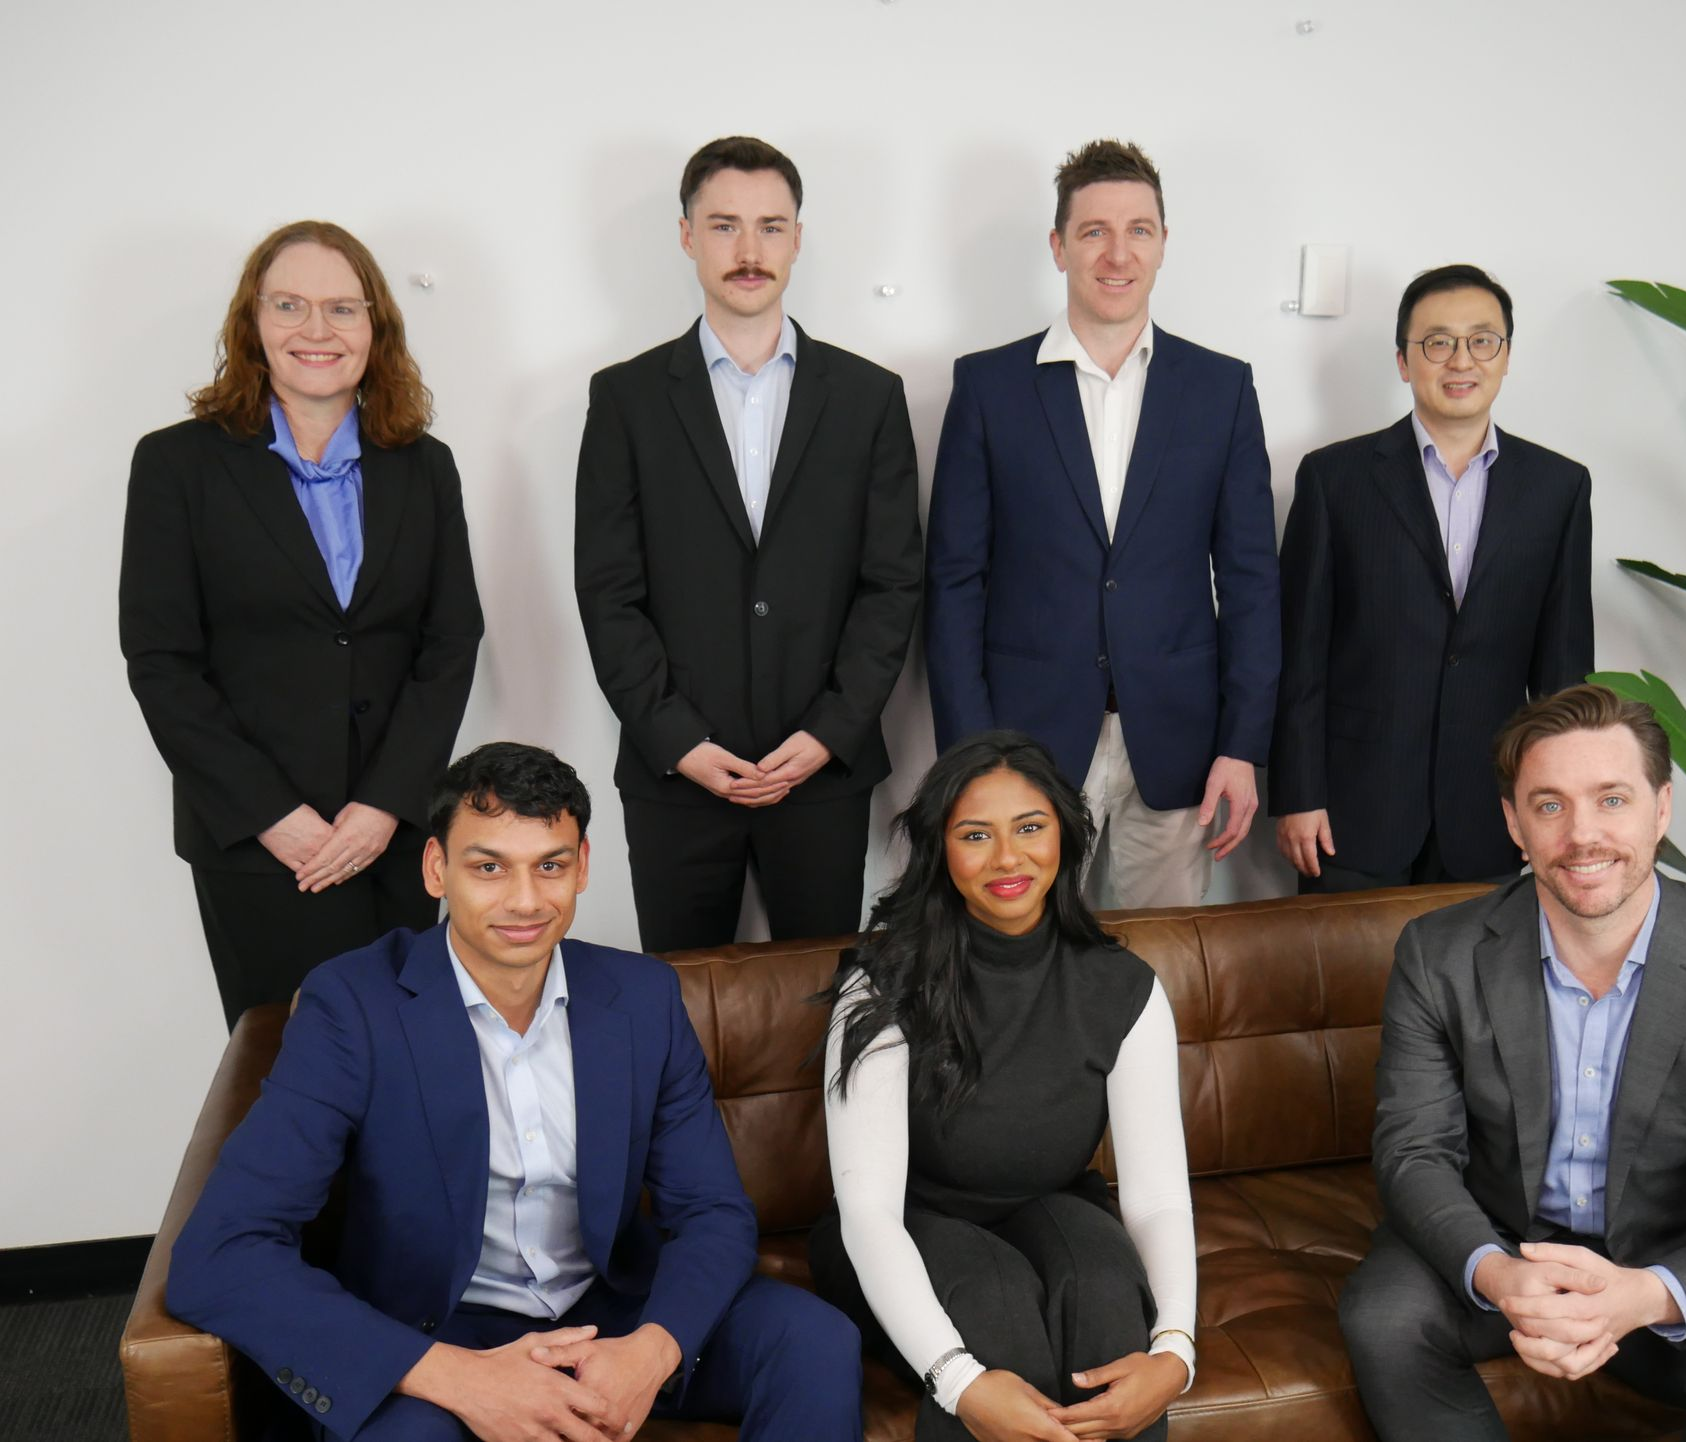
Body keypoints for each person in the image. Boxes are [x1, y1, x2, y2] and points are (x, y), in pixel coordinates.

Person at [167, 741, 862, 1442]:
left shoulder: (643, 998)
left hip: (612, 1313)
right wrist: (457, 1376)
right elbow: (220, 1253)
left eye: (551, 866)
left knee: (813, 1341)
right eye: (489, 867)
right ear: (437, 869)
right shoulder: (353, 1007)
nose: (525, 900)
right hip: (436, 1333)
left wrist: (650, 1351)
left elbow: (712, 1210)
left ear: (582, 866)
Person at [119, 220, 483, 1029]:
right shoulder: (178, 466)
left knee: (403, 1075)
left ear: (374, 328)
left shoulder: (425, 466)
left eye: (341, 310)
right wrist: (275, 820)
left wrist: (385, 806)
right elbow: (161, 662)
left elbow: (450, 642)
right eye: (289, 306)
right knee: (291, 1083)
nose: (315, 331)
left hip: (394, 843)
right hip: (257, 849)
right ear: (252, 323)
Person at [575, 135, 922, 953]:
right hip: (676, 776)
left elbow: (893, 585)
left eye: (771, 226)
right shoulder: (625, 398)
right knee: (681, 1007)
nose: (749, 249)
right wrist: (680, 741)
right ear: (688, 235)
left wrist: (828, 733)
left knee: (822, 1004)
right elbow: (607, 591)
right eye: (724, 224)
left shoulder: (869, 398)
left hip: (823, 772)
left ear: (798, 238)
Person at [810, 731, 1196, 1441]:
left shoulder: (1122, 987)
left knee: (1108, 1297)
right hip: (903, 1223)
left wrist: (1175, 1350)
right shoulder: (880, 986)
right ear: (939, 850)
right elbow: (868, 1215)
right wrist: (960, 1381)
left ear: (1065, 836)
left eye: (1030, 828)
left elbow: (1159, 1197)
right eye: (975, 835)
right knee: (995, 1309)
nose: (1008, 857)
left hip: (1049, 1204)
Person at [924, 139, 1279, 911]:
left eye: (1139, 230)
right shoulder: (988, 387)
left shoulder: (1222, 389)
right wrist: (974, 756)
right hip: (1027, 747)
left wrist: (1241, 744)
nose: (1117, 254)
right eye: (1093, 232)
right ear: (1058, 246)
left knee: (1162, 969)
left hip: (1179, 744)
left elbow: (1252, 581)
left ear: (1162, 243)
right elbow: (953, 582)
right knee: (1022, 963)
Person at [1339, 685, 1686, 1440]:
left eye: (1613, 799)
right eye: (1550, 805)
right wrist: (1501, 1276)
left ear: (1662, 809)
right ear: (1514, 823)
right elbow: (1414, 1150)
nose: (1582, 834)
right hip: (1503, 1240)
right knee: (1385, 1315)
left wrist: (1652, 1296)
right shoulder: (1440, 954)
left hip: (1668, 1259)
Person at [1271, 263, 1593, 891]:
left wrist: (1557, 809)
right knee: (1346, 988)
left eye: (1482, 340)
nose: (1460, 360)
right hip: (1353, 810)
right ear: (1403, 361)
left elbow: (1562, 674)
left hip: (1493, 812)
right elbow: (1299, 657)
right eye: (1437, 342)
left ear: (1505, 356)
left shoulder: (1558, 488)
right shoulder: (1334, 480)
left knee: (1478, 986)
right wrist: (1297, 793)